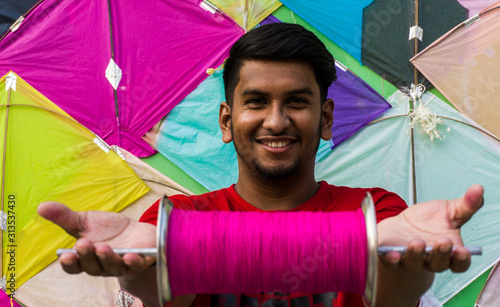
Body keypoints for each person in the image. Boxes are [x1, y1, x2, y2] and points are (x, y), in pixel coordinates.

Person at [38, 23, 484, 307]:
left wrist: (407, 268)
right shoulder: (177, 221)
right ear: (227, 121)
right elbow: (164, 294)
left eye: (296, 102)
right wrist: (145, 269)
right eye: (256, 102)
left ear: (326, 119)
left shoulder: (380, 212)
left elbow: (392, 298)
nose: (276, 120)